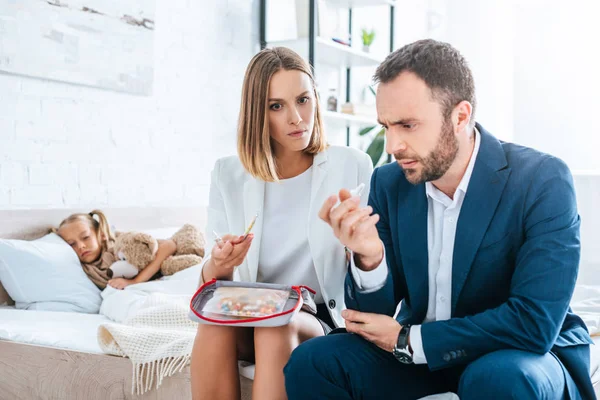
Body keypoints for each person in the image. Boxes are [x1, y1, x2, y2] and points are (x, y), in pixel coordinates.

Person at [284, 39, 595, 400]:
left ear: (460, 116)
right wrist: (370, 258)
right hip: (420, 357)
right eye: (386, 126)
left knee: (497, 378)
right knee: (313, 361)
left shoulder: (542, 180)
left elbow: (533, 323)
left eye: (407, 125)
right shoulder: (389, 183)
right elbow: (370, 320)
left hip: (516, 355)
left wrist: (408, 339)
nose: (391, 145)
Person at [190, 47, 373, 400]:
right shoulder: (228, 174)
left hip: (314, 315)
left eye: (303, 100)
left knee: (275, 328)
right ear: (257, 113)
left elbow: (370, 267)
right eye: (277, 106)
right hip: (248, 309)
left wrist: (356, 247)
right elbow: (212, 282)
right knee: (212, 324)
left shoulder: (351, 165)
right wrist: (220, 263)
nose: (296, 117)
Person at [56, 210, 177, 290]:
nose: (81, 246)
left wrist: (135, 281)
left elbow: (169, 245)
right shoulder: (82, 270)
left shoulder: (123, 244)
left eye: (86, 237)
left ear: (101, 234)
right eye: (72, 244)